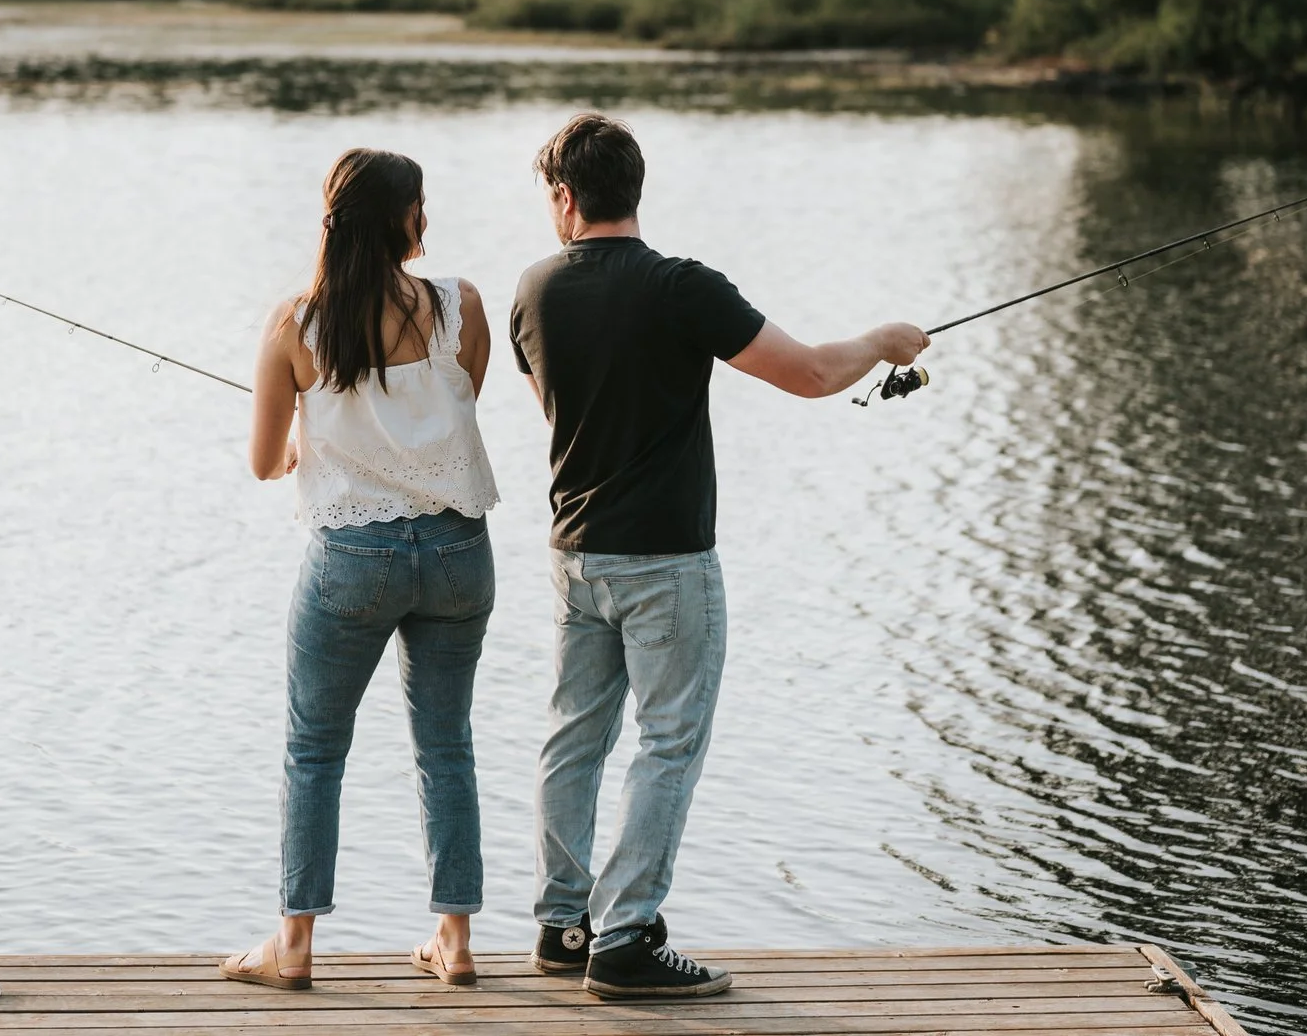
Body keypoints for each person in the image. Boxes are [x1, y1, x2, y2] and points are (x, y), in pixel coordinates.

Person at [508, 113, 927, 1000]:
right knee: (668, 742)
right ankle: (623, 941)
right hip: (665, 560)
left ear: (565, 197)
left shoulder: (533, 289)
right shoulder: (680, 285)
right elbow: (811, 372)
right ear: (633, 189)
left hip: (574, 555)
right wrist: (884, 342)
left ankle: (564, 924)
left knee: (572, 737)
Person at [221, 148, 502, 993]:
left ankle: (295, 946)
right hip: (457, 554)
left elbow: (265, 462)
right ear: (396, 219)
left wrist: (311, 444)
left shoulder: (293, 326)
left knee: (313, 750)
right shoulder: (462, 305)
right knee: (446, 743)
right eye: (420, 205)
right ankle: (453, 941)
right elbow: (457, 409)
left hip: (352, 560)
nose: (429, 220)